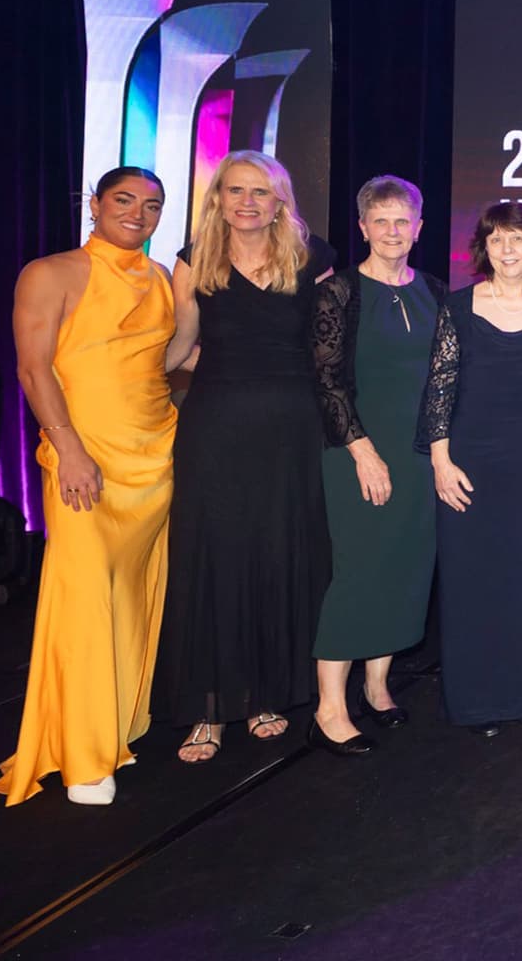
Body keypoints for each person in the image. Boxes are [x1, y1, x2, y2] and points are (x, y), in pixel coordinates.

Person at [0, 169, 174, 805]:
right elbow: (32, 368)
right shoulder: (50, 272)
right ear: (93, 204)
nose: (137, 213)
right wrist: (68, 447)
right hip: (85, 457)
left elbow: (169, 359)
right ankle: (83, 754)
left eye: (152, 205)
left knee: (130, 597)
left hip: (155, 454)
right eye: (124, 200)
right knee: (84, 597)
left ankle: (118, 724)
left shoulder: (161, 278)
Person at [153, 151, 334, 764]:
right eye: (235, 191)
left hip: (292, 427)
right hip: (217, 425)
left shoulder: (312, 258)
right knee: (214, 555)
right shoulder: (194, 259)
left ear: (280, 200)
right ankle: (208, 707)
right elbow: (180, 344)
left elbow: (330, 348)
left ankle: (264, 695)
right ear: (219, 199)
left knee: (278, 553)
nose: (247, 202)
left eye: (260, 192)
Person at [416, 201, 522, 736]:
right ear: (484, 248)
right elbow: (439, 386)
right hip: (470, 459)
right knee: (472, 578)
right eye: (496, 239)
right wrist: (440, 460)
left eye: (517, 238)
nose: (507, 249)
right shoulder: (458, 307)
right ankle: (477, 702)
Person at [309, 176, 445, 755]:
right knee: (360, 572)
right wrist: (364, 452)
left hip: (419, 456)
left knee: (404, 568)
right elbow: (326, 382)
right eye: (381, 221)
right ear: (363, 227)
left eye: (402, 221)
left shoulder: (435, 291)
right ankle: (329, 708)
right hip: (357, 453)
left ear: (419, 227)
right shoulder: (339, 292)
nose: (392, 231)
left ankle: (377, 686)